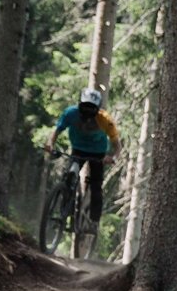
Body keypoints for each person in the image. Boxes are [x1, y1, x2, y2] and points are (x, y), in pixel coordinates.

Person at [43, 87, 122, 223]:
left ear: (98, 108)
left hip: (98, 153)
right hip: (78, 149)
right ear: (79, 104)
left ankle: (94, 221)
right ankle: (66, 207)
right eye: (84, 107)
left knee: (96, 186)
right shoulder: (70, 113)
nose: (87, 112)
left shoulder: (105, 119)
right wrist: (50, 143)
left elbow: (117, 145)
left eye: (91, 109)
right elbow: (57, 130)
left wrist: (113, 157)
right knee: (69, 177)